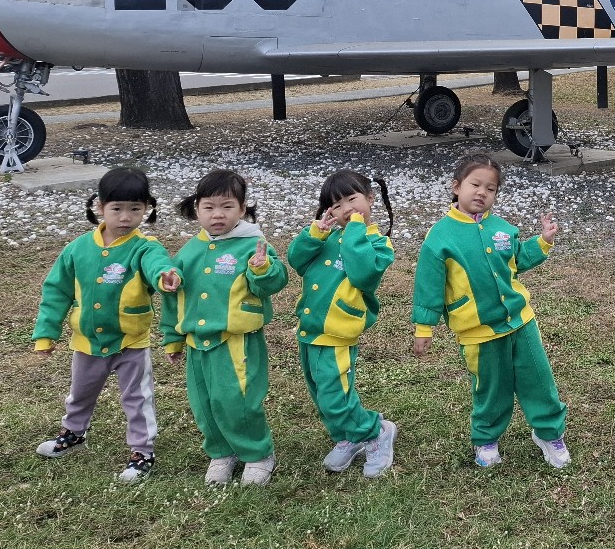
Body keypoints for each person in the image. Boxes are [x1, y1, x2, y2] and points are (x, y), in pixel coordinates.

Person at [412, 152, 570, 470]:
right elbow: (429, 284)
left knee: (539, 380)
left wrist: (542, 241)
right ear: (456, 187)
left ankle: (549, 433)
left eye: (491, 188)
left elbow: (517, 259)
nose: (482, 192)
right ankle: (486, 438)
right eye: (475, 184)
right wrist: (424, 327)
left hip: (521, 322)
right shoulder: (440, 236)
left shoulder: (503, 229)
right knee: (491, 388)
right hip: (479, 332)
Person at [31, 167, 180, 482]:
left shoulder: (145, 247)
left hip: (131, 341)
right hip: (87, 342)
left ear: (147, 208)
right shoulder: (77, 249)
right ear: (100, 207)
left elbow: (157, 265)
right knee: (80, 393)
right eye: (117, 209)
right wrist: (46, 333)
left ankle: (142, 452)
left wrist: (164, 276)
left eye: (135, 209)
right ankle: (73, 433)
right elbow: (56, 290)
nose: (126, 217)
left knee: (137, 398)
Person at [162, 169, 288, 486]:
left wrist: (262, 269)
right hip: (197, 343)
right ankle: (221, 452)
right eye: (209, 207)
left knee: (237, 400)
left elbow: (273, 283)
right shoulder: (189, 250)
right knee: (204, 403)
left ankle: (257, 454)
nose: (217, 214)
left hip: (236, 341)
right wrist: (173, 338)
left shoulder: (253, 245)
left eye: (227, 206)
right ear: (197, 209)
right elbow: (174, 298)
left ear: (242, 209)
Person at [287, 169, 398, 478]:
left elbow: (363, 274)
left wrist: (355, 229)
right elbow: (296, 260)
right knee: (321, 394)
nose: (346, 209)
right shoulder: (328, 238)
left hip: (337, 332)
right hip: (310, 329)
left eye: (352, 199)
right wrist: (315, 234)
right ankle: (347, 436)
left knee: (336, 395)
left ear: (370, 199)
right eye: (337, 205)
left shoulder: (378, 244)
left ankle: (375, 431)